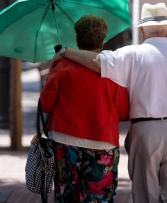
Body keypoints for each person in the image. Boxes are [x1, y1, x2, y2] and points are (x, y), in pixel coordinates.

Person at [51, 3, 167, 203]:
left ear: (142, 31)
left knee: (146, 195)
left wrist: (66, 52)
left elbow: (96, 62)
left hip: (145, 131)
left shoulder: (131, 54)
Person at [40, 15, 130, 203]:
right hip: (102, 142)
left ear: (77, 40)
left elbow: (46, 104)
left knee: (66, 197)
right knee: (99, 198)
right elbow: (123, 111)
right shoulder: (113, 70)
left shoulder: (62, 66)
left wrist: (52, 68)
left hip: (65, 140)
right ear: (103, 41)